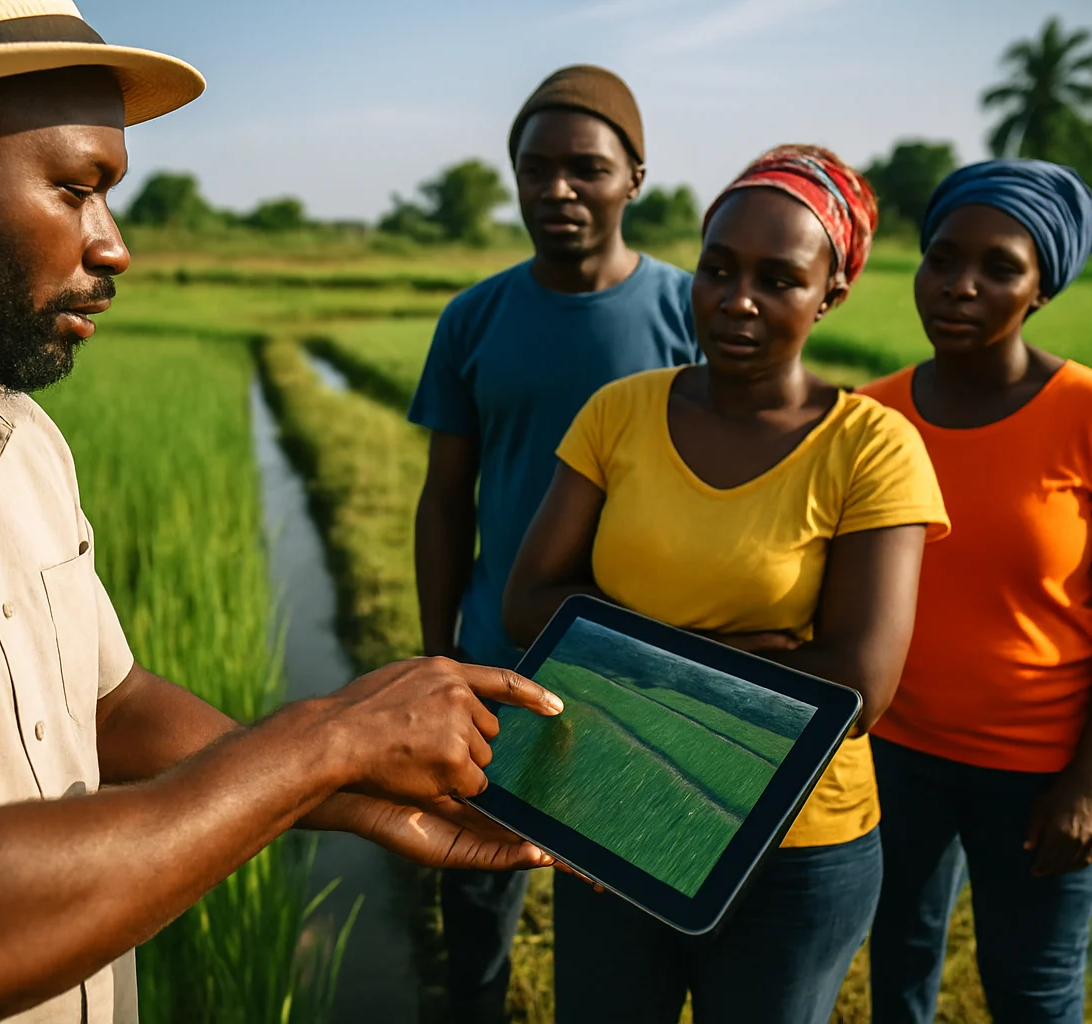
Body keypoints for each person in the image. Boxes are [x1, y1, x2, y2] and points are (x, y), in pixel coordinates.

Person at [0, 3, 569, 1022]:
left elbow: (108, 705)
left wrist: (353, 791)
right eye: (75, 188)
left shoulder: (14, 434)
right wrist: (324, 743)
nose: (115, 247)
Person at [502, 145, 951, 1024]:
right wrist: (746, 658)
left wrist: (615, 644)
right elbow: (526, 604)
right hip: (612, 790)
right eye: (718, 269)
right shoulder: (619, 412)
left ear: (831, 294)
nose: (737, 300)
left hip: (796, 842)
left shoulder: (873, 448)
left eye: (779, 280)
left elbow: (858, 688)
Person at [407, 64, 697, 1022]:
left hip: (640, 669)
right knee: (476, 888)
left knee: (618, 909)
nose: (558, 190)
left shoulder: (690, 314)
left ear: (635, 180)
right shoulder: (475, 318)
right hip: (500, 655)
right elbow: (446, 500)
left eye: (587, 170)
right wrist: (440, 651)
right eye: (536, 170)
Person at [861, 160, 1092, 1024]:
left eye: (999, 267)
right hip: (895, 759)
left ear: (1042, 289)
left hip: (1043, 770)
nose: (959, 285)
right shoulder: (873, 416)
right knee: (897, 971)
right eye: (942, 258)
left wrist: (1091, 780)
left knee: (1031, 992)